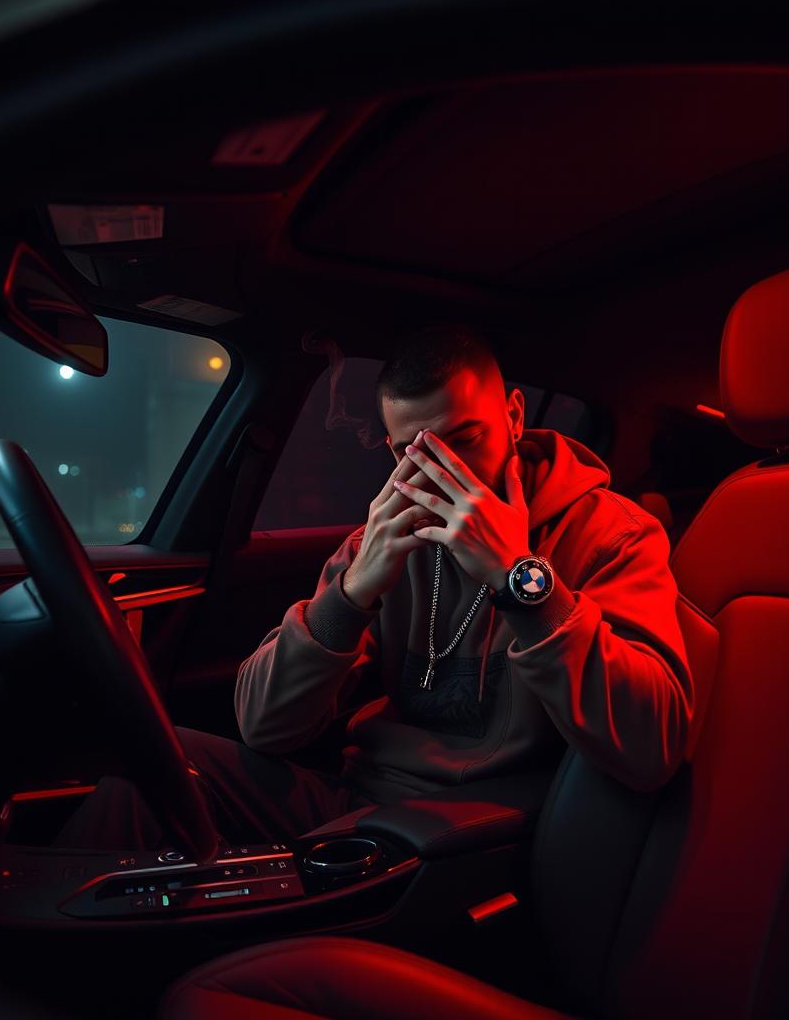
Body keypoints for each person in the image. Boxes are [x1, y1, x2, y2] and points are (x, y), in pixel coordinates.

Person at [55, 326, 693, 851]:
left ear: (514, 415)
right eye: (411, 452)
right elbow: (264, 728)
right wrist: (353, 593)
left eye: (465, 439)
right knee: (152, 770)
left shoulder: (611, 533)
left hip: (475, 831)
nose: (442, 471)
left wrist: (517, 577)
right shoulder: (382, 536)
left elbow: (652, 745)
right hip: (357, 800)